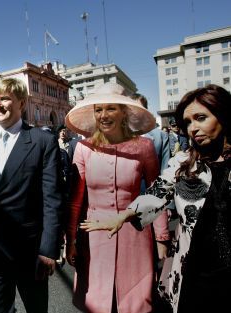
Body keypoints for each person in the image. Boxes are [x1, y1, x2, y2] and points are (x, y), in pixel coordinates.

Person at [81, 84, 231, 313]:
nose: (193, 128)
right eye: (188, 122)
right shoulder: (183, 163)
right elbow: (157, 191)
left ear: (223, 115)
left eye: (201, 118)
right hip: (194, 269)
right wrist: (124, 215)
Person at [64, 82, 170, 313]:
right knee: (98, 303)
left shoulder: (145, 146)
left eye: (111, 108)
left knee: (136, 303)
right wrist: (70, 240)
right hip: (93, 236)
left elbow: (155, 191)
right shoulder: (83, 148)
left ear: (124, 111)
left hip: (135, 234)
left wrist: (162, 237)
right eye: (98, 109)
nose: (103, 115)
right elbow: (75, 200)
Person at [0, 77, 63, 313]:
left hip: (30, 251)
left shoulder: (43, 141)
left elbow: (52, 199)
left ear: (22, 103)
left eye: (5, 99)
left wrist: (49, 248)